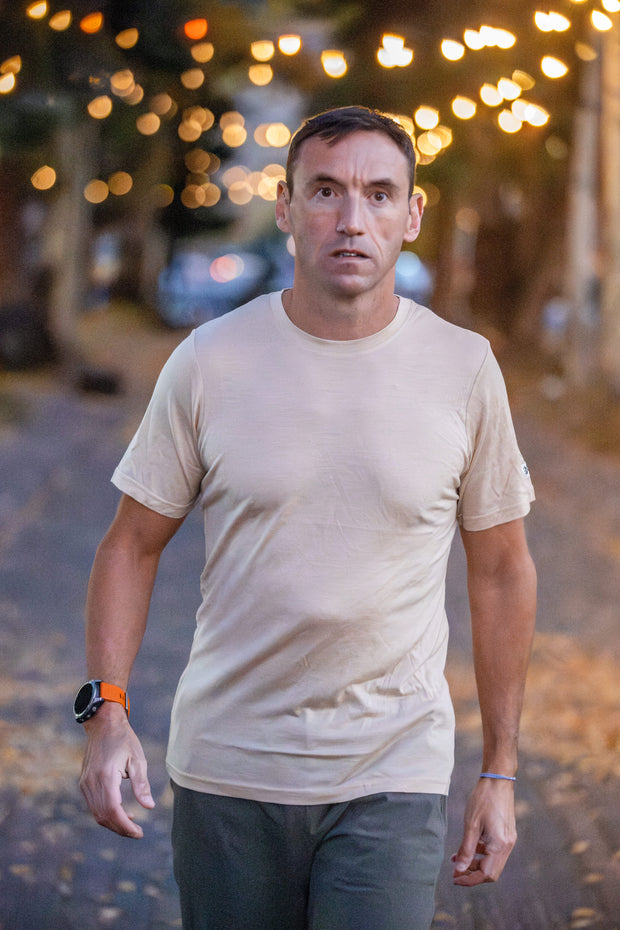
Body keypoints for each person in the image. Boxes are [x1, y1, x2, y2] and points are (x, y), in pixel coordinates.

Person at [77, 105, 537, 930]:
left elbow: (501, 569)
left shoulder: (463, 368)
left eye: (378, 194)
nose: (351, 220)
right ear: (286, 208)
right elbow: (130, 546)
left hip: (393, 771)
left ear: (412, 214)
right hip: (227, 768)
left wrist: (499, 772)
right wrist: (107, 710)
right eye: (325, 191)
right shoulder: (209, 362)